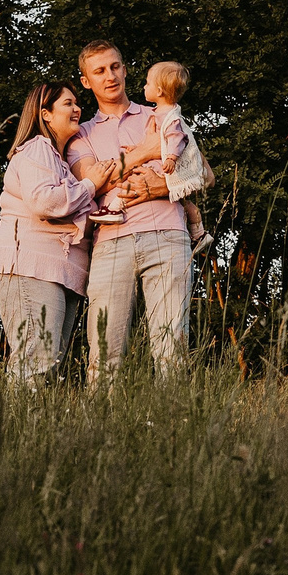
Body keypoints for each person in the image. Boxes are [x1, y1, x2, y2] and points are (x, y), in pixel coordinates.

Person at [67, 40, 190, 378]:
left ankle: (176, 427)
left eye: (115, 66)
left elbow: (202, 173)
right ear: (85, 81)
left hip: (168, 235)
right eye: (100, 71)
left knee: (171, 349)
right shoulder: (80, 135)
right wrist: (146, 151)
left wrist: (161, 186)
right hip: (111, 242)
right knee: (105, 352)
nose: (110, 76)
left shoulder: (161, 114)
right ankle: (98, 430)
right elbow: (92, 184)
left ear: (124, 67)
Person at [0, 82, 114, 382]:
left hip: (57, 272)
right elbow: (45, 202)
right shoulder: (37, 149)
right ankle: (15, 428)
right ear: (45, 114)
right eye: (68, 103)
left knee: (48, 367)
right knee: (36, 361)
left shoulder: (61, 162)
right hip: (29, 265)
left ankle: (31, 428)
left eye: (77, 103)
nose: (77, 108)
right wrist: (91, 185)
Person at [96, 61, 211, 250]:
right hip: (164, 162)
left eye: (147, 83)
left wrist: (171, 158)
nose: (143, 86)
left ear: (158, 91)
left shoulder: (170, 116)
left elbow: (175, 137)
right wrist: (139, 149)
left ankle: (116, 207)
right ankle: (199, 233)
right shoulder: (161, 113)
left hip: (167, 164)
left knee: (138, 176)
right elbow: (153, 140)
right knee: (184, 200)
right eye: (100, 70)